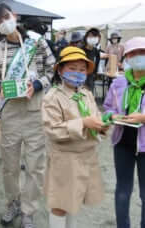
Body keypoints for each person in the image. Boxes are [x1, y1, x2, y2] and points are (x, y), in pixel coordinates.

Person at [0, 3, 55, 228]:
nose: (3, 23)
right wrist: (0, 86)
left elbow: (52, 69)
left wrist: (37, 84)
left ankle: (28, 210)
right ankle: (13, 203)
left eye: (5, 17)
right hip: (10, 112)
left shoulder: (37, 42)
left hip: (35, 109)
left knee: (35, 165)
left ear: (14, 16)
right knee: (10, 165)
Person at [43, 46, 109, 228]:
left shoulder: (86, 93)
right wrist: (84, 123)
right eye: (72, 68)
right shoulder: (52, 97)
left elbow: (94, 116)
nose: (78, 73)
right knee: (60, 204)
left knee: (74, 201)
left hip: (86, 156)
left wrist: (103, 125)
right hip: (64, 158)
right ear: (60, 69)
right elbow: (53, 129)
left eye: (82, 70)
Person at [103, 37, 145, 228]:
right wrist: (112, 117)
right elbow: (108, 108)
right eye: (133, 54)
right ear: (126, 57)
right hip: (122, 143)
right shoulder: (119, 83)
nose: (138, 57)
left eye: (142, 53)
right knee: (122, 190)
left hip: (144, 147)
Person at [82, 28, 101, 92]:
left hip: (91, 77)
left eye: (94, 36)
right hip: (81, 76)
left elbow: (97, 63)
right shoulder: (81, 50)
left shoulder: (96, 51)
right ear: (86, 37)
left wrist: (95, 74)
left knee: (90, 96)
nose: (92, 38)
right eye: (90, 36)